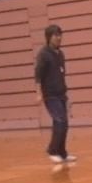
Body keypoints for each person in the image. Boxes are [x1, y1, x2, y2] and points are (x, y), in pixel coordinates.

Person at [34, 24, 74, 166]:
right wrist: (39, 93)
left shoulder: (60, 54)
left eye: (60, 34)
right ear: (48, 37)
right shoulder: (43, 54)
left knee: (65, 123)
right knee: (60, 121)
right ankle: (52, 151)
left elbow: (61, 75)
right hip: (50, 95)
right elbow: (38, 75)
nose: (59, 37)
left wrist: (67, 96)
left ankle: (62, 153)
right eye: (55, 35)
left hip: (61, 94)